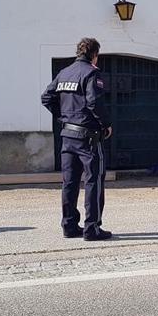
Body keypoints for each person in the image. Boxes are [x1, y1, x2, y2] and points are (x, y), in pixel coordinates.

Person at [41, 38, 113, 241]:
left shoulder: (64, 73)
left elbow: (46, 97)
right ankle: (92, 228)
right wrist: (106, 124)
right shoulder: (91, 73)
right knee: (93, 181)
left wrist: (64, 117)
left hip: (67, 136)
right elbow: (94, 102)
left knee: (70, 183)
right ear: (94, 54)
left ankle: (69, 226)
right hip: (88, 138)